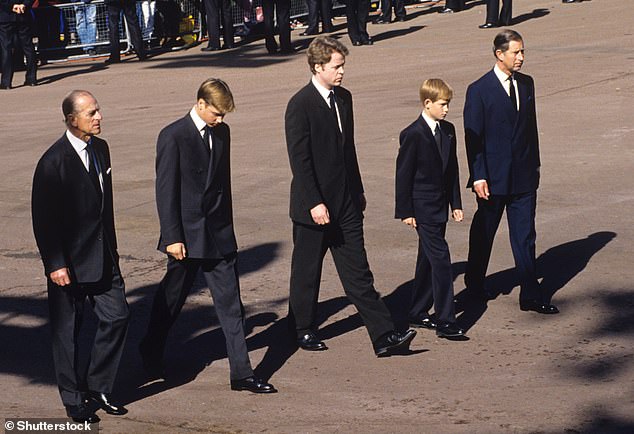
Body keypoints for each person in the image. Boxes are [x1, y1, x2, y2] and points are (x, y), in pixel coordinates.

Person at [139, 78, 277, 394]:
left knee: (231, 305)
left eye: (224, 115)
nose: (220, 120)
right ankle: (150, 348)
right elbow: (165, 191)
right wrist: (172, 236)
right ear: (201, 104)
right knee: (171, 302)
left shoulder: (222, 133)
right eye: (216, 113)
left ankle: (242, 374)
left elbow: (222, 187)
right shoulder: (173, 136)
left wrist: (226, 228)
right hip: (186, 239)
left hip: (218, 236)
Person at [285, 36, 417, 357]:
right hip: (313, 207)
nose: (342, 71)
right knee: (307, 273)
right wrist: (315, 201)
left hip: (345, 203)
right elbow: (300, 161)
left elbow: (349, 151)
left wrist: (357, 191)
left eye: (343, 65)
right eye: (336, 66)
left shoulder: (344, 98)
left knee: (358, 271)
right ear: (318, 67)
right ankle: (302, 330)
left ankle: (384, 336)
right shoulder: (300, 105)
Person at [32, 91, 130, 423]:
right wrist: (55, 263)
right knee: (68, 333)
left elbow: (106, 208)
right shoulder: (53, 161)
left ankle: (98, 385)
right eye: (92, 112)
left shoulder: (101, 149)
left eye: (98, 110)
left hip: (102, 256)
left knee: (117, 316)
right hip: (69, 264)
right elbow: (43, 220)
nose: (99, 116)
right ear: (73, 120)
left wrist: (113, 251)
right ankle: (73, 399)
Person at [463, 30, 559, 314]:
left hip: (524, 176)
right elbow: (473, 138)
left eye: (522, 51)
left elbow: (530, 128)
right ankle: (475, 283)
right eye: (516, 52)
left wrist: (536, 165)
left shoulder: (527, 84)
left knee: (525, 235)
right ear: (499, 54)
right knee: (484, 233)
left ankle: (531, 294)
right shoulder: (479, 89)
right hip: (492, 178)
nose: (521, 57)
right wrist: (478, 175)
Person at [395, 78, 466, 339]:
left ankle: (417, 310)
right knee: (441, 260)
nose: (447, 109)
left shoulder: (448, 131)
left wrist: (456, 204)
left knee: (427, 258)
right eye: (443, 104)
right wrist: (406, 211)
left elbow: (453, 170)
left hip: (440, 206)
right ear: (427, 104)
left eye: (448, 104)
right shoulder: (413, 134)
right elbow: (403, 174)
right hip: (422, 207)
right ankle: (447, 320)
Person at [0, 0, 37, 88]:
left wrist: (11, 6)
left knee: (6, 49)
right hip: (23, 15)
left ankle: (6, 82)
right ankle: (31, 79)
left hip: (6, 16)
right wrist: (24, 5)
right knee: (28, 48)